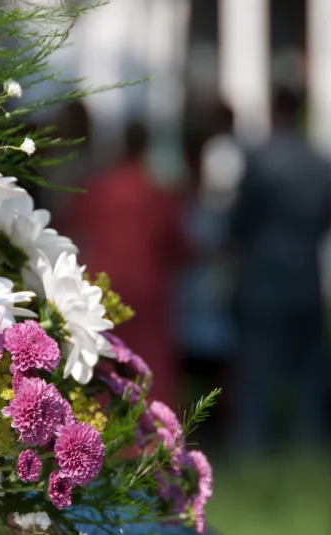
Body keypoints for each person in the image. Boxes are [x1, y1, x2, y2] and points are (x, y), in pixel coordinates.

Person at [228, 87, 331, 454]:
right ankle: (311, 446)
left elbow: (240, 222)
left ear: (274, 113)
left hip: (264, 278)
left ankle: (253, 445)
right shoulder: (321, 164)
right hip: (307, 276)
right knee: (310, 373)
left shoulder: (260, 162)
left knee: (257, 370)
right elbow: (329, 222)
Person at [64, 121, 187, 408]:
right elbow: (177, 244)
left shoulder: (96, 188)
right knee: (151, 361)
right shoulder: (156, 192)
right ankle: (154, 427)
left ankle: (107, 427)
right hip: (147, 286)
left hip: (105, 286)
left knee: (107, 361)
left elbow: (71, 230)